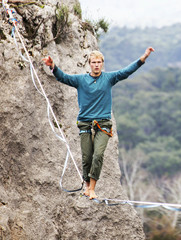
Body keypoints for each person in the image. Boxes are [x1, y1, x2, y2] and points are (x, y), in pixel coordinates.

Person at [42, 47, 154, 199]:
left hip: (103, 124)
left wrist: (144, 57)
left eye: (99, 62)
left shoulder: (109, 78)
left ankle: (92, 188)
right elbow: (64, 77)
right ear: (89, 64)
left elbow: (126, 71)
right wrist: (52, 66)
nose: (96, 65)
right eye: (93, 62)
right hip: (85, 123)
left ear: (102, 64)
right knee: (87, 157)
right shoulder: (81, 80)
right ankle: (87, 187)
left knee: (98, 155)